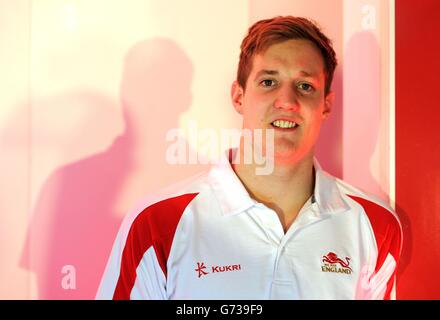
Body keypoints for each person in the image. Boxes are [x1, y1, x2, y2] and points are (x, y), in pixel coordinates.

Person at [96, 16, 402, 300]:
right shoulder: (159, 221)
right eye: (268, 82)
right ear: (238, 96)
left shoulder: (376, 226)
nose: (287, 101)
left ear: (325, 105)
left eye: (305, 86)